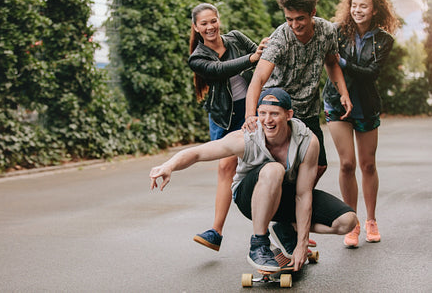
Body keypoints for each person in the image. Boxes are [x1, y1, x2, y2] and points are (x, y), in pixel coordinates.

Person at [150, 88, 357, 271]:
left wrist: (301, 243)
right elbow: (198, 153)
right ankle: (259, 244)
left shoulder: (307, 141)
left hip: (286, 196)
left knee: (347, 221)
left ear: (288, 115)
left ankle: (286, 226)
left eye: (274, 114)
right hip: (249, 197)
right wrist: (169, 166)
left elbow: (303, 195)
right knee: (274, 169)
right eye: (262, 113)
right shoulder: (245, 138)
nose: (267, 120)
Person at [242, 0, 353, 185]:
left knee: (319, 165)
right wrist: (251, 114)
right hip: (279, 109)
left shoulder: (327, 31)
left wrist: (343, 93)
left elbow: (331, 63)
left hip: (308, 108)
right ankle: (283, 205)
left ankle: (295, 202)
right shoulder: (280, 38)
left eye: (300, 18)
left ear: (312, 12)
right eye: (289, 19)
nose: (294, 25)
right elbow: (258, 78)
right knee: (284, 164)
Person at [322, 0, 400, 248]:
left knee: (368, 165)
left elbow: (371, 73)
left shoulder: (384, 39)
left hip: (366, 106)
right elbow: (327, 61)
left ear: (374, 9)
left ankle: (372, 220)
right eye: (354, 5)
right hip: (336, 103)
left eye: (363, 6)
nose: (357, 10)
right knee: (346, 164)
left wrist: (342, 61)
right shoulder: (336, 32)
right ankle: (352, 223)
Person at [188, 3, 267, 251]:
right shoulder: (197, 57)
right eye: (204, 23)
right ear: (196, 27)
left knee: (267, 165)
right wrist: (250, 58)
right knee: (225, 168)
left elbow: (262, 58)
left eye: (213, 21)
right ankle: (216, 232)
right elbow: (219, 70)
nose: (210, 27)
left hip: (251, 108)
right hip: (223, 116)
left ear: (219, 20)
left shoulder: (236, 38)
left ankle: (289, 227)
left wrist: (262, 50)